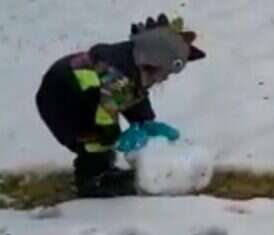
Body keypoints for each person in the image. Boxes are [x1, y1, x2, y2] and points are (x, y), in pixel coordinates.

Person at [35, 15, 206, 197]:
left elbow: (133, 96)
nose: (164, 78)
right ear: (154, 60)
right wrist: (115, 138)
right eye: (165, 73)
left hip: (85, 95)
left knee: (101, 138)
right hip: (64, 100)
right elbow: (106, 112)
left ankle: (103, 169)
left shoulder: (131, 65)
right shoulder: (115, 74)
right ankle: (92, 181)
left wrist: (145, 121)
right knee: (95, 141)